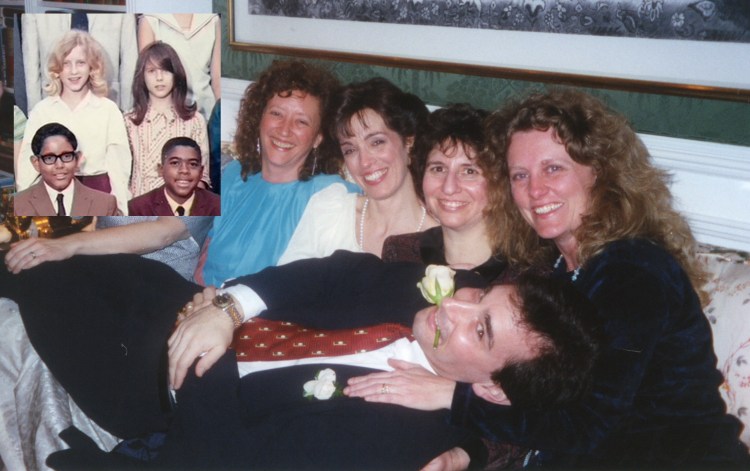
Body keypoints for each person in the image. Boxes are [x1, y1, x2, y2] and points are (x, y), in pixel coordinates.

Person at [352, 89, 750, 468]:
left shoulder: (632, 270)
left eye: (553, 168)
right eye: (519, 175)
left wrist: (450, 397)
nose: (535, 190)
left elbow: (587, 426)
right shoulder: (557, 267)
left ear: (600, 172)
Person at [1, 251, 600, 469]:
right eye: (478, 297)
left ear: (493, 390)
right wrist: (227, 308)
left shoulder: (400, 436)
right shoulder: (434, 296)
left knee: (37, 281)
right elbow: (333, 272)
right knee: (46, 257)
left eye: (481, 329)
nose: (456, 305)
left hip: (155, 377)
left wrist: (208, 343)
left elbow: (230, 458)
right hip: (189, 302)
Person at [0, 215, 212, 469]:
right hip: (129, 278)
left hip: (158, 302)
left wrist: (67, 244)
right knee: (36, 267)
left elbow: (164, 233)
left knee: (39, 273)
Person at [197, 59, 358, 287]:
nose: (284, 130)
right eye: (277, 114)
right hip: (203, 298)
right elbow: (204, 261)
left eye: (301, 121)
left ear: (318, 138)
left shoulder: (331, 194)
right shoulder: (234, 175)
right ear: (259, 118)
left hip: (265, 308)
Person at [277, 77, 438, 263]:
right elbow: (283, 279)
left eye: (377, 142)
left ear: (408, 142)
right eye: (350, 150)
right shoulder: (329, 212)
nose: (365, 161)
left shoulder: (441, 237)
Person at [16, 30, 132, 215]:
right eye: (66, 64)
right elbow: (27, 170)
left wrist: (121, 208)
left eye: (81, 63)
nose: (74, 71)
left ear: (92, 67)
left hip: (97, 193)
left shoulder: (108, 110)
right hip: (54, 195)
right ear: (56, 69)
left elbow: (119, 167)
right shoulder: (42, 111)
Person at [382, 103, 503, 279]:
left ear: (499, 182)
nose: (449, 187)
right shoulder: (400, 252)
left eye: (469, 171)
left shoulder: (528, 272)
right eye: (438, 169)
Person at [125, 41, 209, 198]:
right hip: (137, 203)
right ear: (142, 76)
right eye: (151, 71)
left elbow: (202, 178)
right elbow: (122, 176)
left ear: (176, 74)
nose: (159, 78)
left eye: (165, 70)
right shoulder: (129, 122)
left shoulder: (195, 121)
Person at [21, 13, 138, 113]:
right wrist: (33, 111)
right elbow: (31, 65)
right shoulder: (33, 14)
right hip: (53, 100)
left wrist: (127, 111)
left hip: (107, 98)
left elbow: (130, 61)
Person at [14, 122, 120, 216]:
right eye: (49, 158)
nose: (59, 165)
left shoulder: (105, 203)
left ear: (77, 159)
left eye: (66, 156)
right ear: (36, 163)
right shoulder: (16, 204)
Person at [137, 14, 220, 122]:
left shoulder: (212, 20)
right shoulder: (150, 19)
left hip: (207, 111)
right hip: (167, 114)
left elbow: (217, 78)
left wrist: (219, 116)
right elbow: (148, 75)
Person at [128, 137, 219, 216]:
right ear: (161, 169)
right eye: (175, 163)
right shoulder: (137, 208)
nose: (184, 170)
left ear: (201, 171)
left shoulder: (218, 205)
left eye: (193, 164)